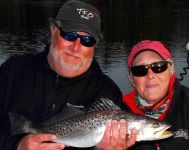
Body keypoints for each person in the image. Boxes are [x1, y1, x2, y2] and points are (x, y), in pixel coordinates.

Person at [0, 0, 136, 150]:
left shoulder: (107, 92)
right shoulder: (13, 71)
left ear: (95, 44)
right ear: (53, 30)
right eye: (69, 35)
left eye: (87, 40)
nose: (76, 47)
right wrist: (17, 146)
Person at [123, 40, 189, 150]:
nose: (150, 75)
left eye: (159, 66)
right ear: (131, 78)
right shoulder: (119, 109)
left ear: (172, 69)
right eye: (140, 70)